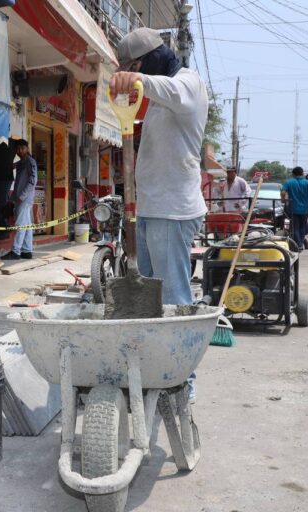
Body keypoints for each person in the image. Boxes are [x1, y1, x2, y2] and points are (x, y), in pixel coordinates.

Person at [111, 28, 208, 402]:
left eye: (135, 65)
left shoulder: (188, 83)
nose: (134, 73)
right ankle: (156, 370)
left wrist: (137, 78)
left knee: (173, 296)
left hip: (173, 210)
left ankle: (183, 380)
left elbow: (170, 92)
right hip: (150, 209)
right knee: (149, 296)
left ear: (151, 59)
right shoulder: (154, 100)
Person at [1, 139, 37, 260]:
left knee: (21, 224)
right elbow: (15, 171)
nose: (20, 150)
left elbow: (33, 181)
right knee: (27, 225)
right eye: (18, 149)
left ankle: (16, 251)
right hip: (19, 198)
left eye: (22, 148)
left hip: (24, 199)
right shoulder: (22, 162)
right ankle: (27, 250)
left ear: (27, 148)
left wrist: (22, 196)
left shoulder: (30, 162)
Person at [281, 166, 308, 251]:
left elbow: (283, 192)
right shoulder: (307, 182)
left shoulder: (289, 182)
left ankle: (299, 244)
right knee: (303, 226)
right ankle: (300, 242)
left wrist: (283, 200)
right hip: (305, 209)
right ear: (302, 173)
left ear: (293, 174)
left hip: (293, 209)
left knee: (295, 227)